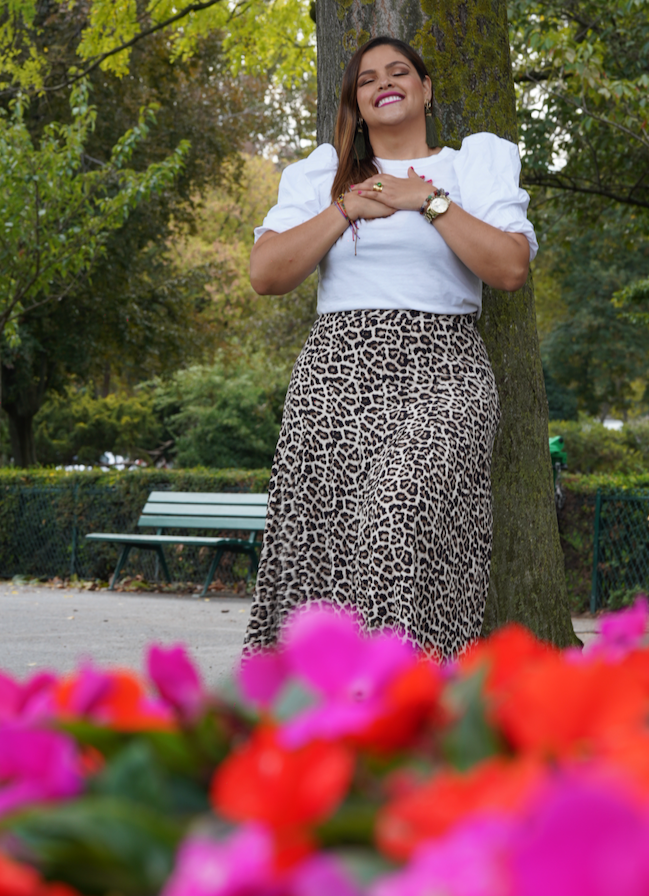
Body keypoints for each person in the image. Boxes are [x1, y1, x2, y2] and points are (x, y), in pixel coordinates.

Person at [243, 35, 537, 658]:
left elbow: (510, 268)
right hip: (335, 379)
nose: (384, 83)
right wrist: (346, 209)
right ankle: (326, 695)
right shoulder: (323, 175)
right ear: (356, 102)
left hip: (444, 372)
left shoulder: (470, 166)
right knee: (321, 552)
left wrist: (425, 200)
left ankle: (409, 688)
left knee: (399, 515)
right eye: (368, 78)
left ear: (425, 89)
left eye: (399, 71)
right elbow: (266, 275)